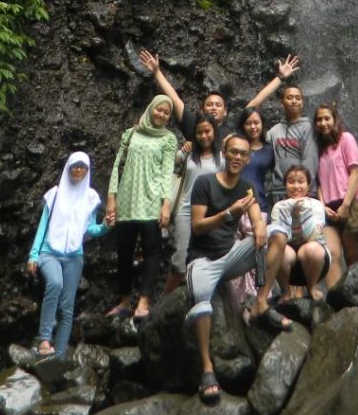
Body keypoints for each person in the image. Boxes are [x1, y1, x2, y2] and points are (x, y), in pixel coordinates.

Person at [186, 134, 292, 404]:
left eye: (243, 154)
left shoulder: (246, 187)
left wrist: (258, 228)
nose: (237, 157)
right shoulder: (204, 182)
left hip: (232, 257)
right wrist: (229, 213)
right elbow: (197, 225)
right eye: (233, 152)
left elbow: (257, 218)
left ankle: (260, 303)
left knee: (277, 234)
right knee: (202, 304)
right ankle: (207, 368)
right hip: (203, 260)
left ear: (248, 159)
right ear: (224, 153)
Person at [27, 152, 108, 357]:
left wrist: (106, 226)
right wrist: (34, 255)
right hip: (49, 252)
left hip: (74, 256)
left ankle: (60, 354)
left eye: (83, 167)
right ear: (68, 168)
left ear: (87, 170)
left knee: (67, 306)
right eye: (75, 166)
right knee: (55, 283)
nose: (78, 170)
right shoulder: (54, 194)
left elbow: (90, 229)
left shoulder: (90, 198)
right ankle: (44, 338)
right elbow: (43, 225)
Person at [105, 94, 177, 321]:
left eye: (166, 112)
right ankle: (124, 301)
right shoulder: (132, 133)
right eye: (159, 110)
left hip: (151, 201)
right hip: (127, 200)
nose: (162, 115)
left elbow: (167, 172)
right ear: (151, 109)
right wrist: (111, 198)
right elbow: (118, 165)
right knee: (124, 253)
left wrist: (166, 205)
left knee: (152, 252)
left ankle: (144, 300)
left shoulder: (168, 139)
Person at [138, 49, 300, 146]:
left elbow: (257, 101)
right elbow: (174, 99)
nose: (214, 107)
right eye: (209, 105)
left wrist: (280, 77)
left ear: (225, 112)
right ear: (202, 109)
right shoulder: (193, 124)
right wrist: (157, 72)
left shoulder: (233, 125)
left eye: (218, 105)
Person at [314, 103, 358, 286]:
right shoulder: (318, 148)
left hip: (352, 203)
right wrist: (321, 206)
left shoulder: (346, 139)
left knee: (352, 257)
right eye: (319, 119)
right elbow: (319, 182)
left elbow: (355, 172)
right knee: (330, 254)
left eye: (327, 118)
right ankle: (336, 304)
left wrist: (346, 205)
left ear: (335, 120)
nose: (323, 123)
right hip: (329, 207)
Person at [166, 115, 222, 292]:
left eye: (207, 131)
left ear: (214, 132)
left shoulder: (222, 158)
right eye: (199, 132)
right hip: (186, 211)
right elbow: (169, 166)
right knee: (181, 260)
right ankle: (164, 300)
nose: (204, 136)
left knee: (207, 260)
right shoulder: (190, 154)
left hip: (210, 215)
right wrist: (183, 151)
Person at [268, 165, 330, 302]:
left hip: (316, 260)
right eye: (291, 182)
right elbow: (280, 238)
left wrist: (302, 213)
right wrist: (290, 212)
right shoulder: (279, 207)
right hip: (288, 263)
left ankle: (312, 287)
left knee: (311, 249)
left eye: (301, 182)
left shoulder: (316, 205)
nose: (296, 186)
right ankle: (286, 291)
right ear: (285, 186)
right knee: (280, 250)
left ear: (308, 185)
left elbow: (313, 237)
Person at [266, 84, 318, 207]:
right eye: (289, 97)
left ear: (302, 103)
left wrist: (303, 188)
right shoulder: (273, 132)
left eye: (297, 98)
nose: (294, 101)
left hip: (303, 191)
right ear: (282, 102)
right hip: (279, 190)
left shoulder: (309, 128)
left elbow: (310, 161)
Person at [236, 106, 275, 214]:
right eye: (248, 123)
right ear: (243, 126)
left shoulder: (269, 150)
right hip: (234, 202)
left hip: (259, 202)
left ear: (262, 124)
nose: (253, 127)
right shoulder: (236, 147)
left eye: (256, 123)